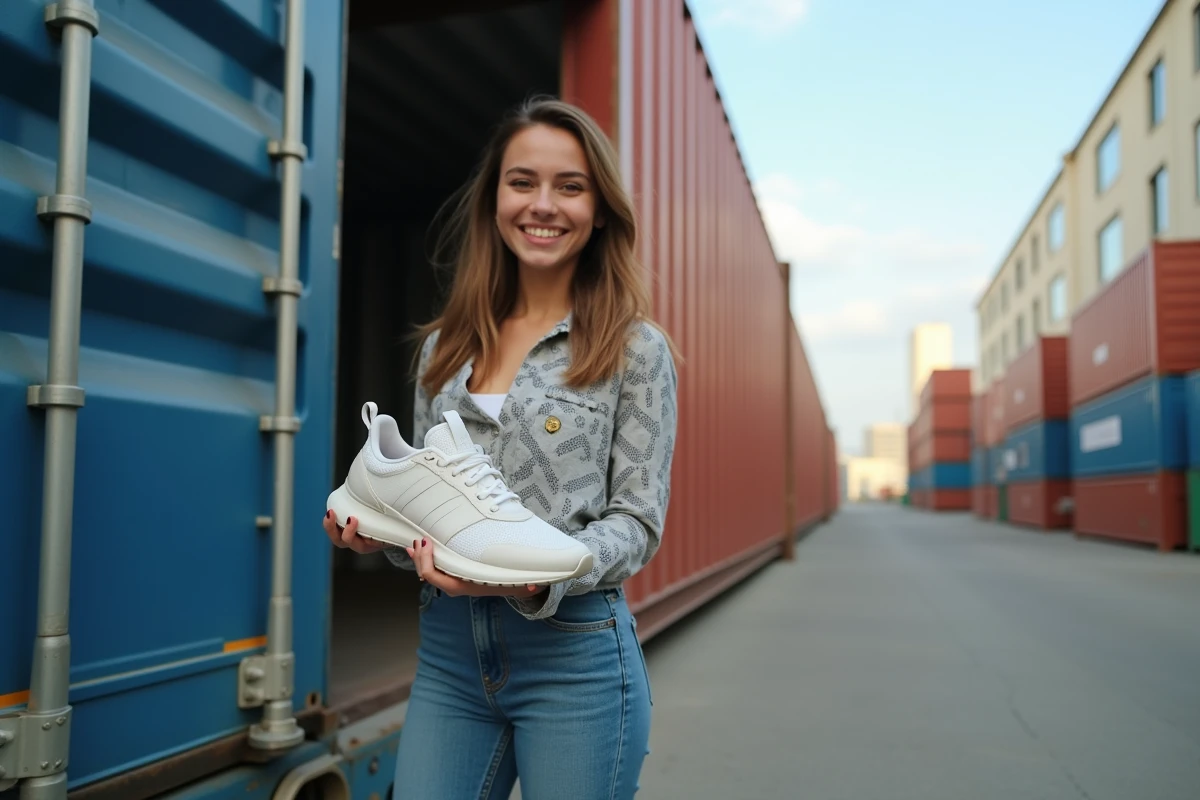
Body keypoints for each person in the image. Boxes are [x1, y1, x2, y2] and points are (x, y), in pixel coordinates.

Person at [321, 97, 679, 799]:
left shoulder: (636, 348)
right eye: (522, 182)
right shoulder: (443, 349)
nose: (543, 204)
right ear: (494, 199)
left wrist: (535, 574)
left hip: (574, 656)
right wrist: (381, 538)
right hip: (451, 656)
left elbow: (637, 523)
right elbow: (436, 516)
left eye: (569, 186)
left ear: (600, 208)